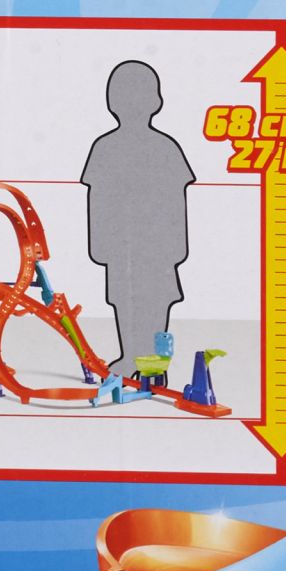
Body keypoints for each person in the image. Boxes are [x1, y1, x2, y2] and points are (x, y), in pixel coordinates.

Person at [81, 62, 196, 373]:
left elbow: (175, 201)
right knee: (125, 301)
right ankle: (131, 356)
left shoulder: (163, 148)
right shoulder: (106, 148)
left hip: (157, 250)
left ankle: (153, 365)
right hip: (125, 249)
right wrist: (100, 247)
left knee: (154, 303)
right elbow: (99, 200)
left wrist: (176, 249)